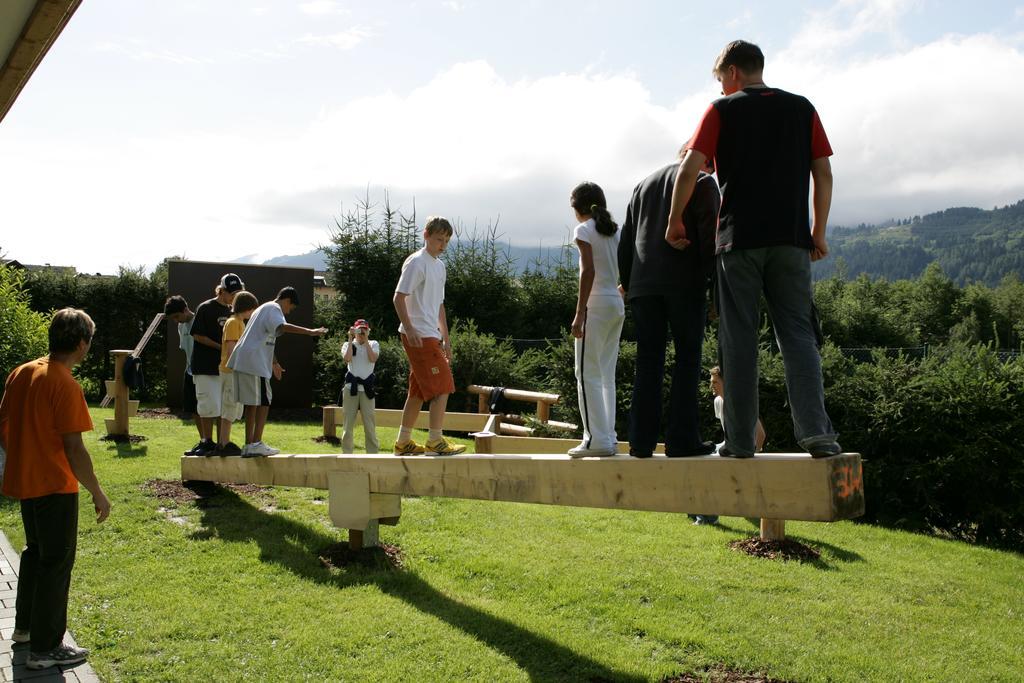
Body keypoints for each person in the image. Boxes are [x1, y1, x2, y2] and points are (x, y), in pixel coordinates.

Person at [667, 39, 841, 459]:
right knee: (798, 335)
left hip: (738, 240)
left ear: (731, 73)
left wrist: (674, 220)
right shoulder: (802, 108)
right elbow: (824, 172)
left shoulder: (721, 109)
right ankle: (818, 435)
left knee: (738, 340)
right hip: (791, 241)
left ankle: (741, 441)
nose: (723, 88)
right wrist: (818, 232)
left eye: (721, 81)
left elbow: (690, 169)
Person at [0, 308, 111, 671]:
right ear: (81, 344)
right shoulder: (64, 383)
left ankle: (26, 629)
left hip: (25, 482)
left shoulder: (21, 373)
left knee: (35, 554)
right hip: (55, 487)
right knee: (56, 564)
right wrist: (97, 491)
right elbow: (74, 449)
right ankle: (46, 648)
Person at [618, 151, 720, 458]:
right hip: (684, 283)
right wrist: (715, 290)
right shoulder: (703, 183)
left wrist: (628, 281)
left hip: (642, 286)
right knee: (687, 359)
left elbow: (626, 241)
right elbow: (709, 240)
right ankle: (682, 440)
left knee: (648, 361)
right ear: (708, 161)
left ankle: (640, 441)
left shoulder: (642, 186)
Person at [392, 216, 466, 456]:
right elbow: (398, 297)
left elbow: (439, 306)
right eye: (438, 239)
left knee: (418, 391)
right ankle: (435, 441)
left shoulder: (439, 266)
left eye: (446, 241)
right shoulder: (416, 262)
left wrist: (445, 337)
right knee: (443, 385)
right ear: (426, 235)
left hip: (430, 335)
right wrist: (410, 328)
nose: (442, 245)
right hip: (418, 335)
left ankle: (403, 443)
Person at [227, 287, 327, 457]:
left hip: (246, 360)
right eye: (290, 308)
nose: (288, 311)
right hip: (253, 362)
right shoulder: (274, 308)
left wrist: (275, 363)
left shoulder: (262, 309)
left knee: (253, 403)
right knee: (264, 401)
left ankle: (250, 444)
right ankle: (256, 443)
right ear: (287, 300)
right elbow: (282, 326)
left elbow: (263, 338)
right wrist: (310, 332)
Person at [568, 182, 625, 458]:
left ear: (578, 207)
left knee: (586, 373)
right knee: (605, 375)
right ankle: (608, 437)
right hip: (616, 304)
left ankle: (594, 440)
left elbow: (587, 270)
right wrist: (619, 293)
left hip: (596, 306)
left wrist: (580, 313)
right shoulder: (615, 231)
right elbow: (631, 267)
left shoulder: (583, 229)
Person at [690, 366, 767, 526]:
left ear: (727, 383)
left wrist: (755, 455)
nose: (712, 386)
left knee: (706, 467)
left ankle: (707, 519)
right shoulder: (718, 401)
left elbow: (760, 434)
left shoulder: (741, 404)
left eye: (716, 382)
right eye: (711, 382)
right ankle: (695, 510)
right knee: (696, 458)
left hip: (742, 450)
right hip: (728, 445)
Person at [188, 273, 245, 456]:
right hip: (205, 365)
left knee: (224, 406)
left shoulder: (234, 312)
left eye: (237, 293)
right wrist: (222, 346)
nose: (233, 296)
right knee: (208, 404)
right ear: (221, 290)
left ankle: (222, 442)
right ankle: (206, 441)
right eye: (230, 292)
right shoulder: (205, 307)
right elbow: (197, 335)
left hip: (224, 368)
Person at [215, 291, 259, 456]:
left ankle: (224, 442)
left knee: (234, 407)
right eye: (252, 310)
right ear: (246, 308)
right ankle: (224, 443)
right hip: (230, 371)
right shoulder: (233, 322)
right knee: (229, 405)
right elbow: (232, 348)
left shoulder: (240, 322)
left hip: (237, 371)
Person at [163, 295, 202, 448]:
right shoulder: (181, 326)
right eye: (173, 318)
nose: (176, 321)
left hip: (203, 371)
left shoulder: (200, 321)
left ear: (186, 309)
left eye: (177, 316)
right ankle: (204, 440)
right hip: (189, 371)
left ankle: (216, 441)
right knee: (193, 409)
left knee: (207, 408)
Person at [340, 319, 380, 454]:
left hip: (367, 389)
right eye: (359, 330)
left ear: (368, 331)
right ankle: (346, 454)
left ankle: (372, 454)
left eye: (364, 330)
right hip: (351, 388)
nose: (361, 333)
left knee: (370, 425)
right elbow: (347, 358)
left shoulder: (374, 344)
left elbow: (373, 358)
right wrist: (351, 339)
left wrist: (366, 340)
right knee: (348, 424)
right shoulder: (348, 344)